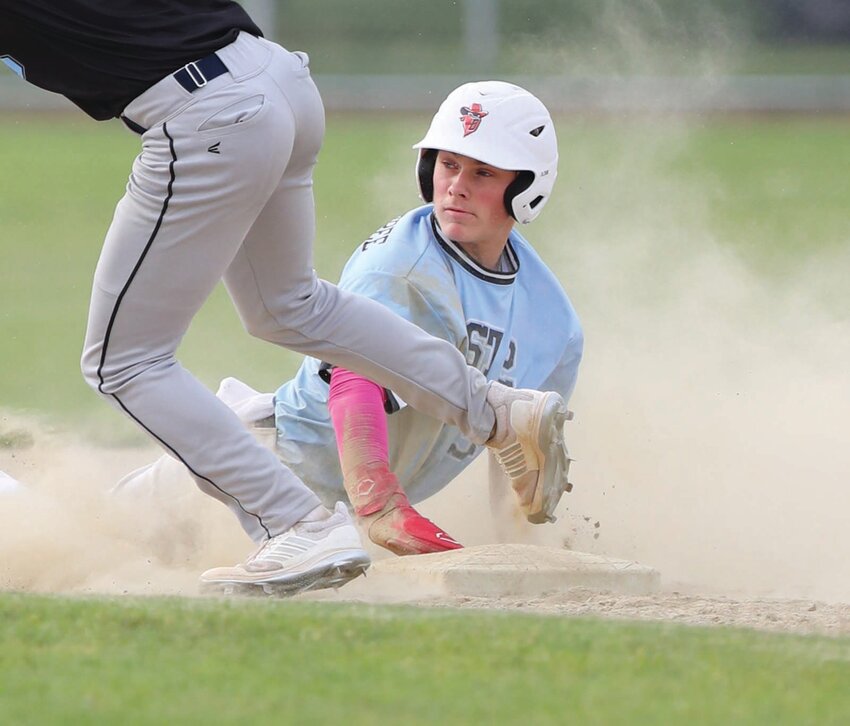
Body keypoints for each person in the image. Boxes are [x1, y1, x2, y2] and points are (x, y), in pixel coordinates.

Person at [0, 6, 571, 595]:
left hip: (210, 113)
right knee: (291, 304)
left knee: (124, 362)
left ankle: (295, 523)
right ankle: (499, 411)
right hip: (281, 82)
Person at [115, 80, 583, 588]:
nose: (456, 186)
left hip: (317, 515)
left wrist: (516, 548)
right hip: (252, 477)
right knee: (97, 537)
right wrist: (380, 505)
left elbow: (519, 446)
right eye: (448, 164)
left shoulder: (553, 322)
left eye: (483, 172)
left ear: (527, 187)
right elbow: (354, 377)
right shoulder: (402, 269)